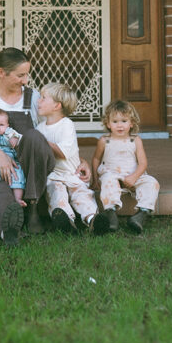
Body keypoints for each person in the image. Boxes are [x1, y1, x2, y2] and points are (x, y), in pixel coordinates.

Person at [0, 47, 92, 245]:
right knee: (0, 191)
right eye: (20, 75)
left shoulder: (34, 98)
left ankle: (32, 208)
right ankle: (8, 229)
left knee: (32, 136)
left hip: (31, 170)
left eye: (27, 74)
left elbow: (52, 134)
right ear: (1, 73)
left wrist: (79, 160)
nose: (26, 80)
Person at [36, 82, 112, 235]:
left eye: (43, 98)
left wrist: (39, 140)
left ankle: (93, 219)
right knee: (56, 194)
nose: (38, 101)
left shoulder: (66, 125)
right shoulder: (40, 128)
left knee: (82, 195)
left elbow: (62, 152)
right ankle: (66, 222)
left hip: (73, 174)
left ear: (57, 106)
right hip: (53, 176)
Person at [91, 99, 159, 233]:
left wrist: (134, 177)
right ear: (108, 124)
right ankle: (111, 215)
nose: (119, 125)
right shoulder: (104, 141)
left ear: (131, 123)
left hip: (132, 176)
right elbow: (96, 159)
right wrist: (94, 179)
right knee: (108, 181)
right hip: (112, 175)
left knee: (152, 183)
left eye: (124, 121)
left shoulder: (135, 140)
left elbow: (143, 163)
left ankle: (141, 215)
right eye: (115, 122)